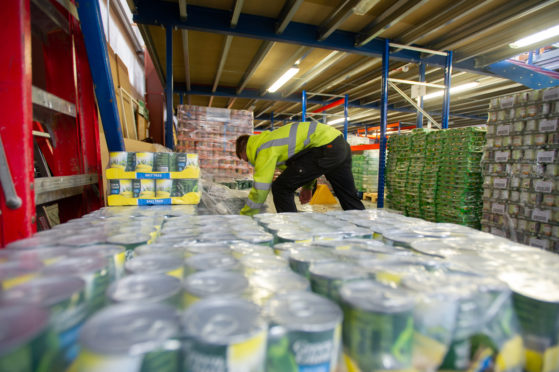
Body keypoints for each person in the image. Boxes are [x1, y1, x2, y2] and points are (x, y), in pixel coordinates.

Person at [236, 121, 365, 216]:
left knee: (281, 188)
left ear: (244, 148)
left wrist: (245, 216)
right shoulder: (272, 141)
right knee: (348, 196)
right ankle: (365, 233)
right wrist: (308, 187)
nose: (246, 161)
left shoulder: (263, 148)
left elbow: (261, 188)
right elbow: (304, 163)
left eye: (243, 157)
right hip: (339, 144)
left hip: (325, 147)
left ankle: (291, 233)